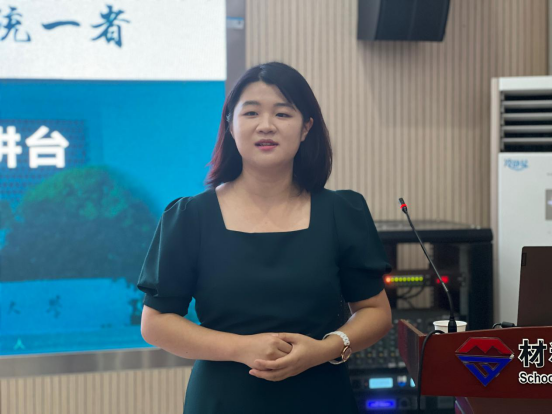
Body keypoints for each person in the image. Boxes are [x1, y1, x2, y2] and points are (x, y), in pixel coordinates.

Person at [137, 61, 393, 414]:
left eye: (283, 114)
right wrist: (241, 348)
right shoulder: (190, 216)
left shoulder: (341, 212)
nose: (266, 125)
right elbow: (156, 323)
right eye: (251, 112)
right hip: (223, 400)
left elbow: (375, 312)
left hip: (320, 395)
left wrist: (327, 347)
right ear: (230, 124)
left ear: (306, 128)